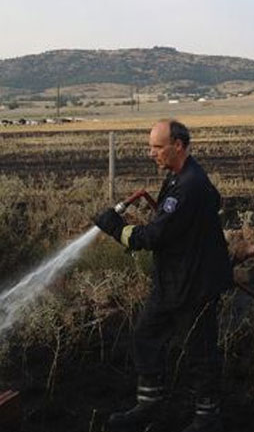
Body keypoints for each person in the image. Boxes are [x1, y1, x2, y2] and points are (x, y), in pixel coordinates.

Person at [94, 119, 232, 432]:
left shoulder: (189, 185)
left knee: (200, 352)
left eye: (157, 147)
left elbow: (155, 236)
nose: (151, 153)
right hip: (172, 281)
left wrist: (116, 228)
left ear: (178, 146)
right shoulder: (179, 177)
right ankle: (149, 404)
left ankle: (207, 418)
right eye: (151, 147)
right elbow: (207, 205)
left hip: (194, 286)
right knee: (146, 335)